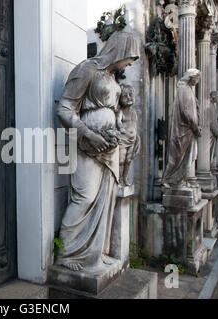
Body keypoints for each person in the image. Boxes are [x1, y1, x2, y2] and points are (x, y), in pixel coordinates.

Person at [55, 31, 139, 272]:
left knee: (105, 199)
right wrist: (88, 134)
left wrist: (119, 134)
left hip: (109, 149)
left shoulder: (113, 80)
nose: (130, 64)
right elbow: (65, 109)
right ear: (120, 50)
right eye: (130, 58)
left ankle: (93, 254)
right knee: (85, 197)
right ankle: (66, 252)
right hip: (87, 143)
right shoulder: (87, 69)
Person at [162, 69, 202, 187]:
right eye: (197, 78)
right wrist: (195, 128)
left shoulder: (188, 89)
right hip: (183, 130)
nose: (198, 81)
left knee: (186, 158)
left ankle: (180, 180)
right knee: (177, 157)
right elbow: (186, 112)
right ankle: (169, 179)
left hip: (189, 130)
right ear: (191, 76)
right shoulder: (184, 89)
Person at [116, 84, 140, 186]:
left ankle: (125, 178)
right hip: (123, 139)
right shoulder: (121, 111)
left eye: (131, 95)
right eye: (125, 96)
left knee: (128, 160)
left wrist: (137, 137)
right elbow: (118, 121)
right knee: (121, 159)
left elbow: (134, 125)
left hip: (132, 139)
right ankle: (119, 179)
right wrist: (121, 128)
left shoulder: (133, 112)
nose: (129, 98)